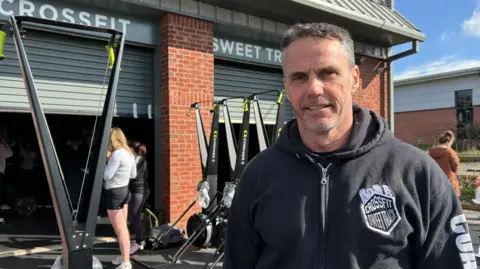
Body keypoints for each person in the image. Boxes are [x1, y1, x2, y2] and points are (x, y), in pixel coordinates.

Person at [223, 22, 477, 269]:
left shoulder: (417, 173)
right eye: (299, 77)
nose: (313, 88)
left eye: (327, 73)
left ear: (354, 78)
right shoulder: (259, 174)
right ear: (286, 86)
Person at [104, 127, 137, 269]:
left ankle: (126, 263)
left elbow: (107, 175)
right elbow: (133, 175)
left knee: (120, 230)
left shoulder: (116, 154)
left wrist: (105, 163)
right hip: (124, 191)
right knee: (123, 228)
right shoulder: (129, 153)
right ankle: (124, 257)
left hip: (115, 194)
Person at [128, 141, 150, 254]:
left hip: (139, 191)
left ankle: (140, 242)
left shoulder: (141, 161)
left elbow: (133, 175)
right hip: (136, 191)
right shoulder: (137, 160)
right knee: (133, 215)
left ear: (132, 150)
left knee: (136, 216)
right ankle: (139, 239)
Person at [428, 131, 461, 197]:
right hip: (448, 181)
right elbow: (456, 167)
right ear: (447, 142)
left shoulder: (430, 153)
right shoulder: (450, 152)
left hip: (434, 181)